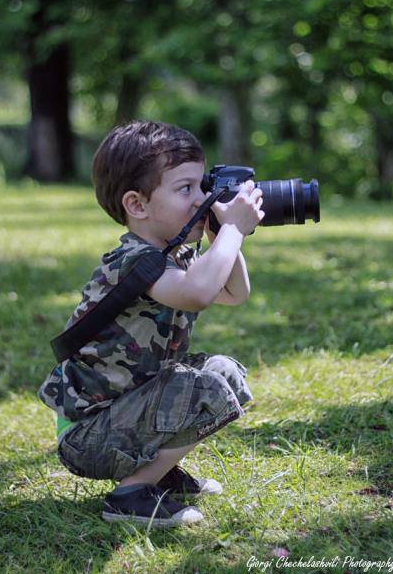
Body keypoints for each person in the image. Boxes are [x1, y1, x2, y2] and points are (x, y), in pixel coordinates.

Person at [38, 120, 264, 527]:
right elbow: (196, 293)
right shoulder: (133, 261)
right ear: (137, 205)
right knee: (203, 387)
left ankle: (157, 474)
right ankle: (131, 495)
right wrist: (232, 228)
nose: (203, 198)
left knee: (222, 372)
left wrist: (222, 233)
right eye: (186, 189)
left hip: (124, 416)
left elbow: (233, 293)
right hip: (89, 435)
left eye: (204, 185)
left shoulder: (177, 255)